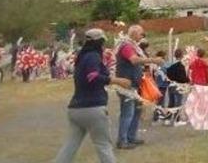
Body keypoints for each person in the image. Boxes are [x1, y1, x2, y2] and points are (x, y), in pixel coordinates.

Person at [55, 29, 132, 163]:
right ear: (99, 42)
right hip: (93, 108)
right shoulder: (93, 56)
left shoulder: (82, 57)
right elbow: (93, 77)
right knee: (103, 145)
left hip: (75, 108)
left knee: (70, 146)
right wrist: (117, 80)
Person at [115, 24, 163, 150]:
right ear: (134, 34)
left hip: (135, 84)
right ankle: (122, 140)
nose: (142, 36)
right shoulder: (126, 46)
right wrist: (152, 60)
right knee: (128, 113)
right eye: (141, 33)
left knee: (136, 111)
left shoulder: (133, 46)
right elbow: (134, 60)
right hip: (127, 86)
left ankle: (131, 136)